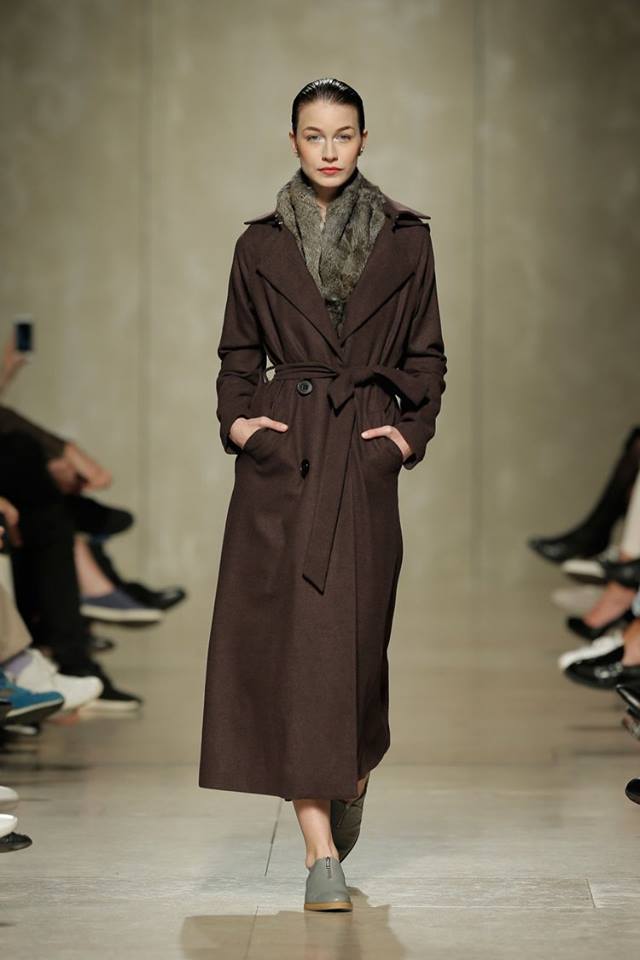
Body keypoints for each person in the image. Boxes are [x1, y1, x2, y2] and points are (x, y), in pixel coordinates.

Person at [198, 78, 447, 912]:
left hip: (362, 454)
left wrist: (406, 437)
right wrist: (243, 427)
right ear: (294, 142)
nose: (330, 149)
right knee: (296, 654)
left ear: (365, 140)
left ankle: (352, 770)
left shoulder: (407, 240)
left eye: (344, 135)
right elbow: (237, 354)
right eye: (314, 135)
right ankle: (319, 853)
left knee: (357, 651)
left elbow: (427, 357)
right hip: (287, 461)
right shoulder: (259, 244)